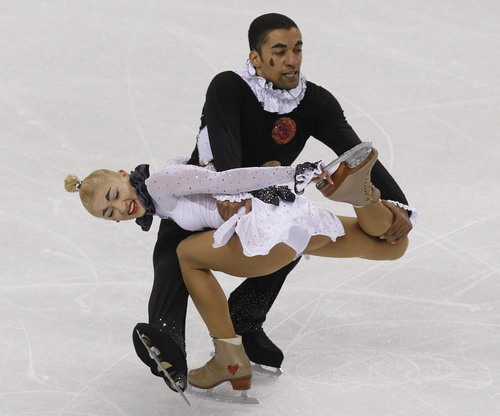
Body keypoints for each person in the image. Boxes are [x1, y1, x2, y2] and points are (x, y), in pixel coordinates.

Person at [99, 13, 414, 393]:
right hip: (206, 191)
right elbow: (226, 143)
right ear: (256, 58)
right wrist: (231, 195)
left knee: (263, 246)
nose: (292, 60)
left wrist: (401, 205)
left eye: (297, 50)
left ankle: (242, 328)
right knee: (171, 252)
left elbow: (354, 150)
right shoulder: (229, 87)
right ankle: (167, 340)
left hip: (265, 203)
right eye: (279, 52)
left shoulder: (314, 101)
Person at [64, 142, 411, 394]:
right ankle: (363, 197)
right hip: (295, 221)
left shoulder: (160, 182)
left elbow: (228, 181)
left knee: (187, 255)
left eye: (112, 195)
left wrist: (295, 172)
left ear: (125, 176)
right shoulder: (164, 191)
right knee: (391, 246)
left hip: (269, 232)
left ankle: (229, 360)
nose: (119, 208)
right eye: (108, 213)